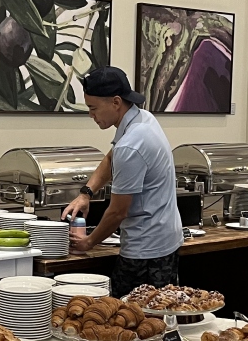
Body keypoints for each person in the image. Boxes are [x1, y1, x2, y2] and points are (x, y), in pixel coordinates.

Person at [62, 66, 184, 298]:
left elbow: (118, 212)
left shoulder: (132, 144)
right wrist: (86, 193)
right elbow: (111, 157)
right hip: (164, 237)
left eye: (93, 108)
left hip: (147, 250)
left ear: (116, 102)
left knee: (132, 313)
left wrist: (88, 242)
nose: (91, 115)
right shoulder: (143, 118)